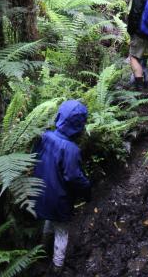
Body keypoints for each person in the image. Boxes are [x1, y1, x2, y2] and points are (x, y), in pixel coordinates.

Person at [33, 100, 91, 275]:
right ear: (79, 125)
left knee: (48, 221)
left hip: (41, 193)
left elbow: (34, 157)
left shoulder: (44, 136)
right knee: (62, 232)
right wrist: (87, 190)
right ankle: (57, 266)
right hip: (60, 200)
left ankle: (42, 248)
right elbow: (73, 177)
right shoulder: (71, 149)